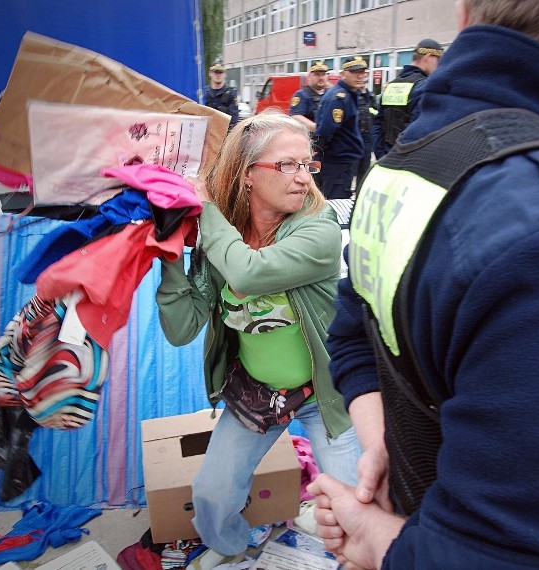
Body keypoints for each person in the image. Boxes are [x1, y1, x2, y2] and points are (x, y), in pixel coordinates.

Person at [308, 1, 539, 568]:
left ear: (466, 13)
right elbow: (510, 554)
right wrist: (372, 536)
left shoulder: (401, 163)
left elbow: (352, 338)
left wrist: (385, 446)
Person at [155, 113, 362, 570]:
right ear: (249, 174)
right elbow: (181, 329)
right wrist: (168, 253)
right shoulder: (220, 239)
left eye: (308, 164)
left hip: (323, 395)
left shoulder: (318, 229)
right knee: (210, 493)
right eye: (287, 165)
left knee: (352, 511)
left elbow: (249, 271)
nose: (303, 178)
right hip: (258, 393)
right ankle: (231, 549)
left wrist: (205, 207)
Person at [370, 38, 442, 159]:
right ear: (428, 57)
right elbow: (418, 131)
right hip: (408, 160)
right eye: (438, 61)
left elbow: (377, 124)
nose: (439, 66)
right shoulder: (424, 87)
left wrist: (381, 155)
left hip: (386, 158)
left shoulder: (392, 84)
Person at [313, 56, 367, 200]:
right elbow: (326, 130)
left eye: (362, 72)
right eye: (355, 72)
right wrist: (318, 150)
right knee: (335, 203)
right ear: (343, 74)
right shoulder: (340, 97)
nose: (360, 76)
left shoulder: (350, 94)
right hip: (337, 162)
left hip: (343, 161)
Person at [289, 61, 329, 133]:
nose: (321, 78)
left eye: (323, 74)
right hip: (312, 139)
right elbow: (295, 116)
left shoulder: (330, 93)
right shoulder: (302, 95)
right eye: (317, 74)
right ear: (309, 76)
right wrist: (318, 128)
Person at [204, 63, 239, 130]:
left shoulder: (231, 93)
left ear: (225, 74)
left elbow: (233, 120)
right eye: (215, 72)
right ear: (210, 74)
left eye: (220, 72)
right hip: (206, 132)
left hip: (224, 132)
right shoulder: (203, 93)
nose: (218, 75)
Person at [355, 81, 375, 188]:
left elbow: (375, 112)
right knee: (353, 169)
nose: (363, 83)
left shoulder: (370, 96)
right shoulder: (353, 95)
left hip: (367, 138)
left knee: (364, 170)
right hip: (355, 139)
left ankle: (359, 190)